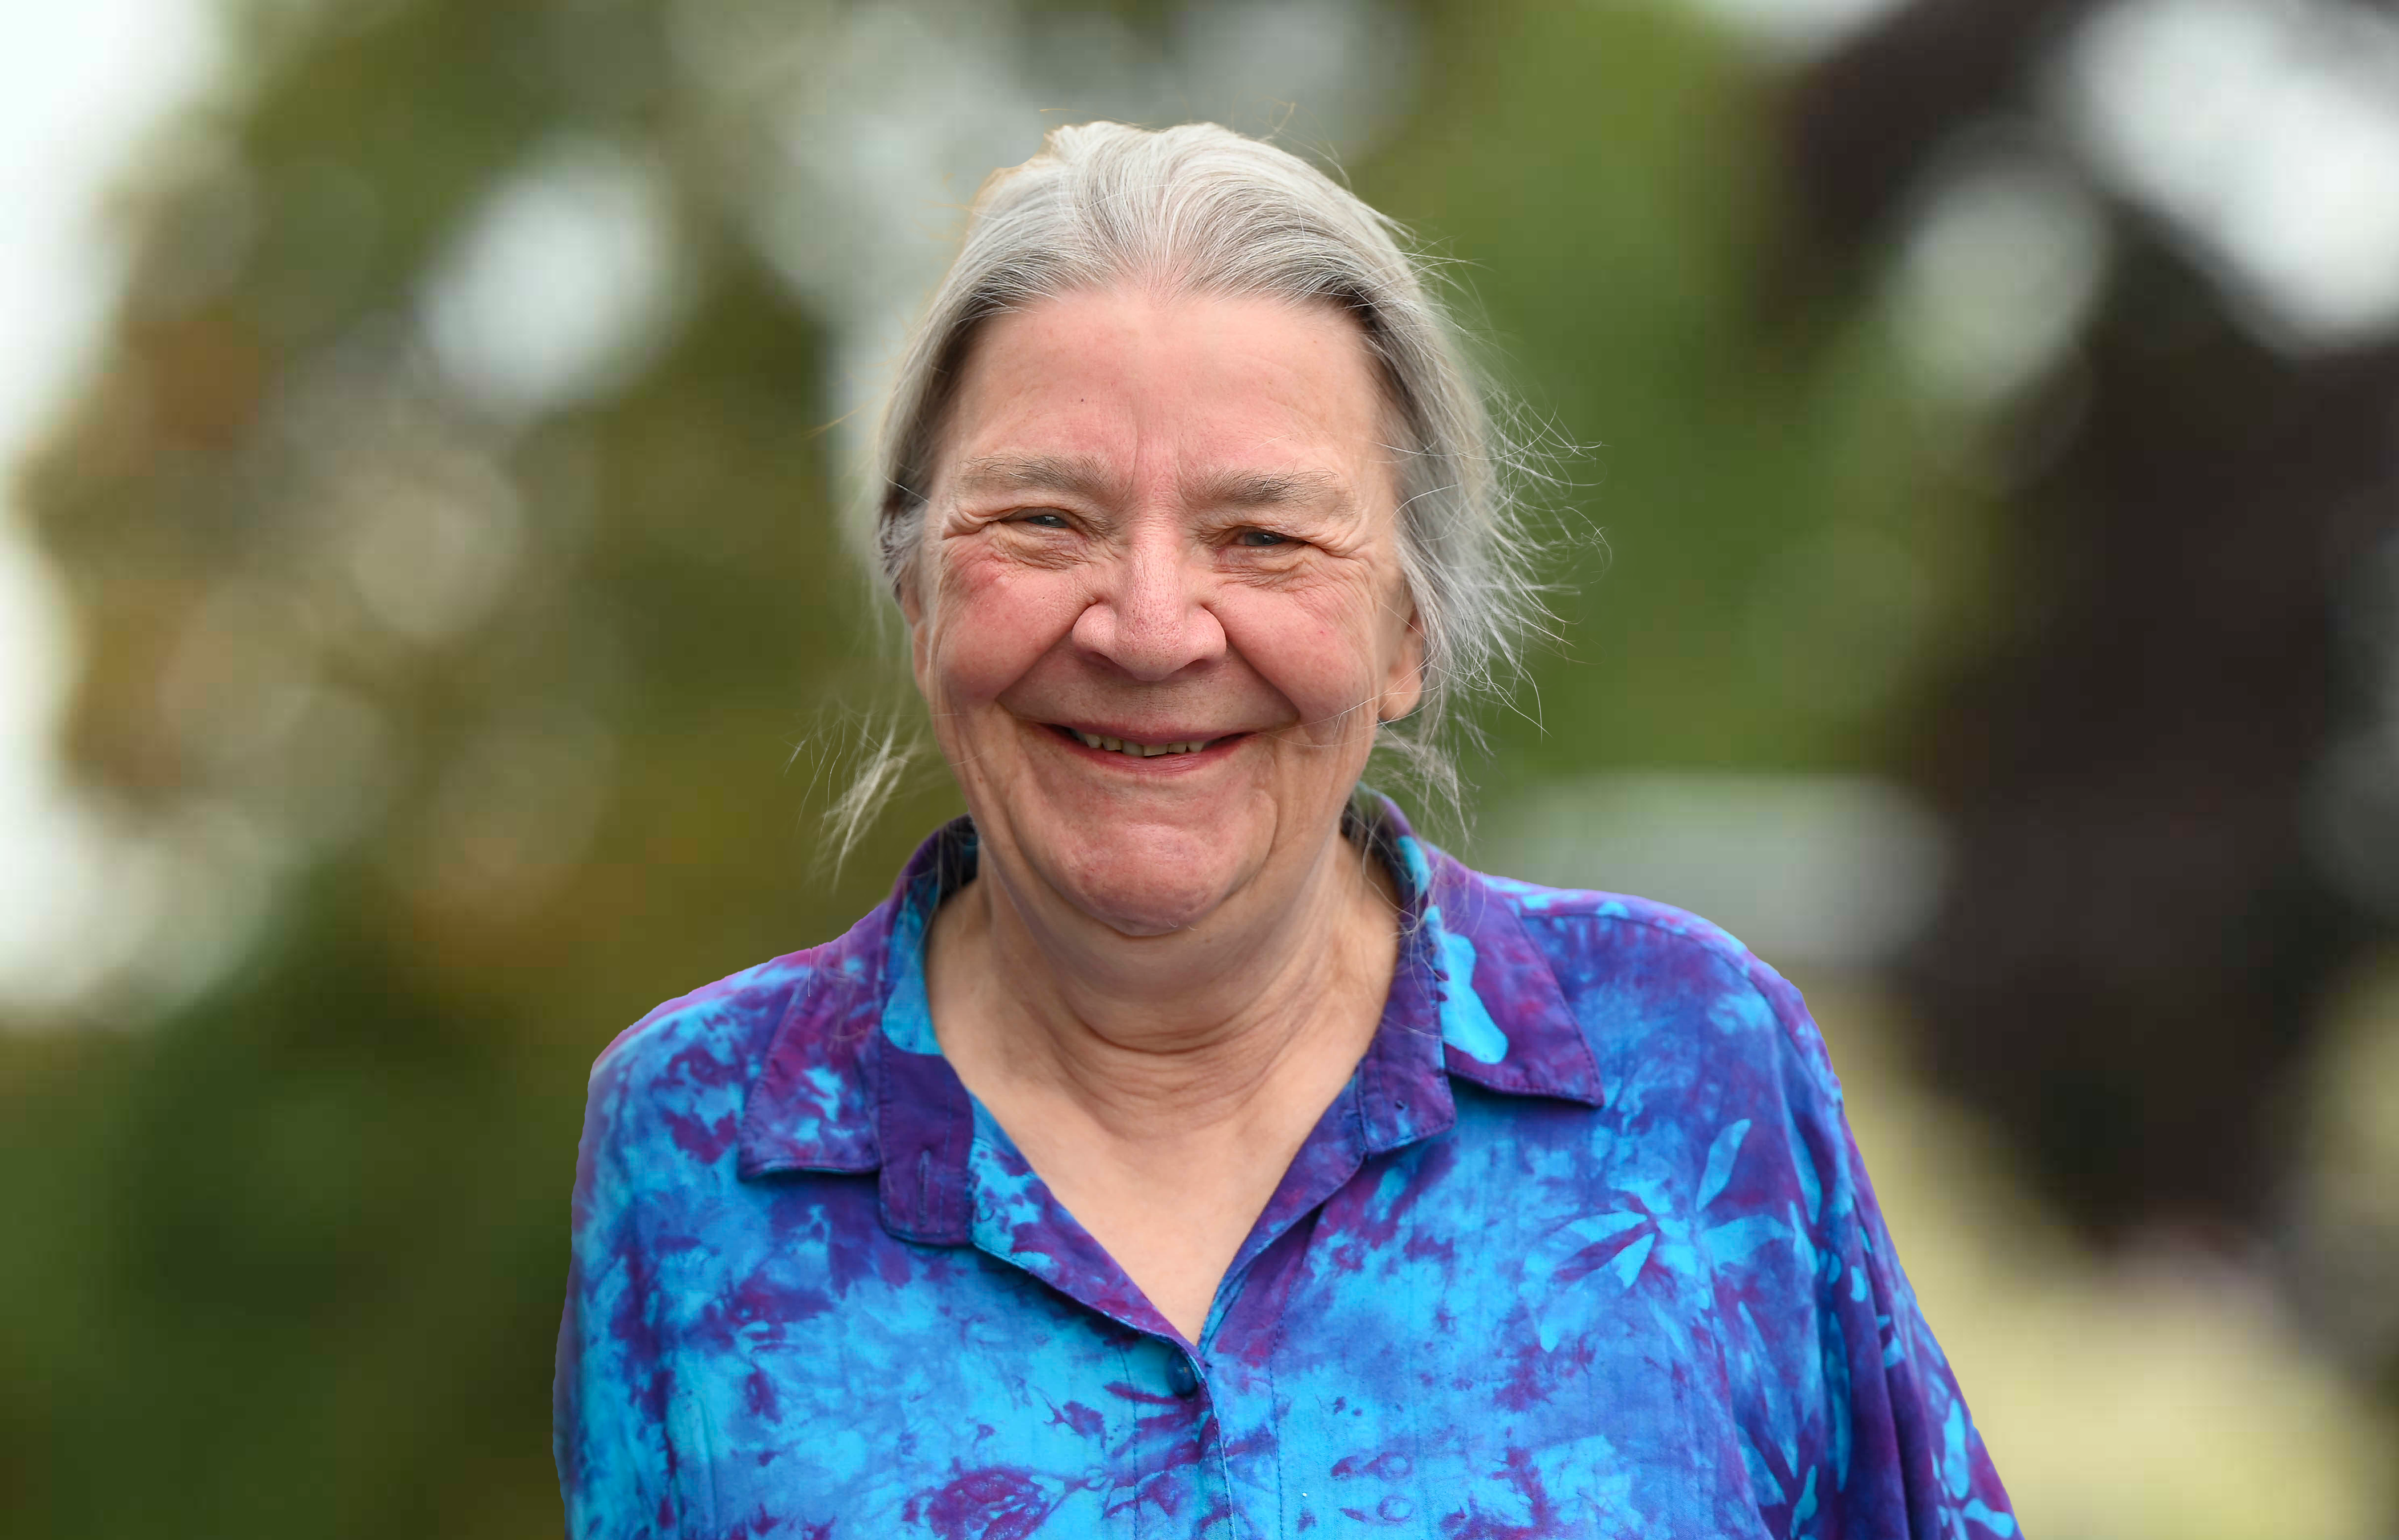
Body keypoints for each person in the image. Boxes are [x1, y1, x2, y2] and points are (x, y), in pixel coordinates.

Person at [554, 121, 2017, 1538]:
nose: (1148, 626)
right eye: (1045, 521)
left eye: (1264, 537)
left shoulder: (1691, 1066)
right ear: (918, 585)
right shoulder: (697, 1143)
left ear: (1407, 631)